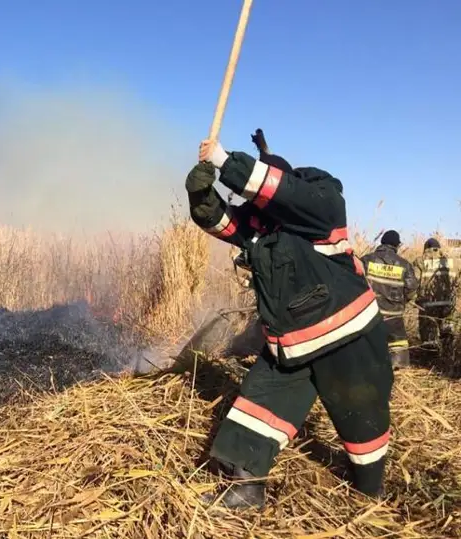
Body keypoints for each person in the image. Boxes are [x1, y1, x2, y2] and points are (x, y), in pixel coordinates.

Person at [185, 128, 392, 509]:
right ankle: (247, 488)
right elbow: (226, 224)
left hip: (347, 336)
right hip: (292, 343)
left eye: (258, 193)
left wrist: (224, 160)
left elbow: (281, 191)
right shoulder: (262, 229)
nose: (255, 208)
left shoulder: (320, 205)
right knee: (256, 408)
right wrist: (202, 196)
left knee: (363, 421)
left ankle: (370, 492)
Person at [360, 230, 418, 368]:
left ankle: (368, 367)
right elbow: (411, 288)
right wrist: (401, 302)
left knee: (368, 343)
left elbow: (356, 283)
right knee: (398, 342)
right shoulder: (404, 264)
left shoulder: (366, 260)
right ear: (396, 246)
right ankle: (399, 369)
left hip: (370, 313)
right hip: (394, 314)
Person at [414, 238, 459, 353]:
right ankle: (448, 360)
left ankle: (431, 362)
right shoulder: (453, 261)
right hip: (449, 304)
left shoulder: (420, 261)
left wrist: (416, 300)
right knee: (448, 334)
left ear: (425, 249)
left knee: (429, 339)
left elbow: (414, 283)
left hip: (428, 305)